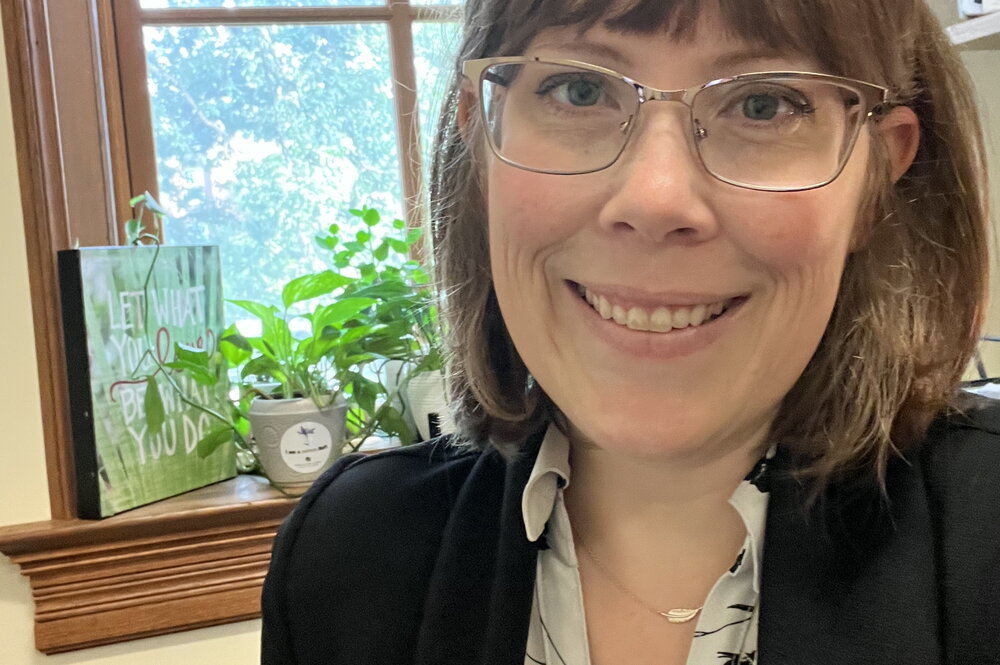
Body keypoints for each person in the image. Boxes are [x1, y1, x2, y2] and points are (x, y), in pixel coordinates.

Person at [261, 0, 1000, 663]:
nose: (656, 197)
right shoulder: (347, 560)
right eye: (579, 89)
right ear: (479, 139)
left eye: (766, 103)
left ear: (877, 177)